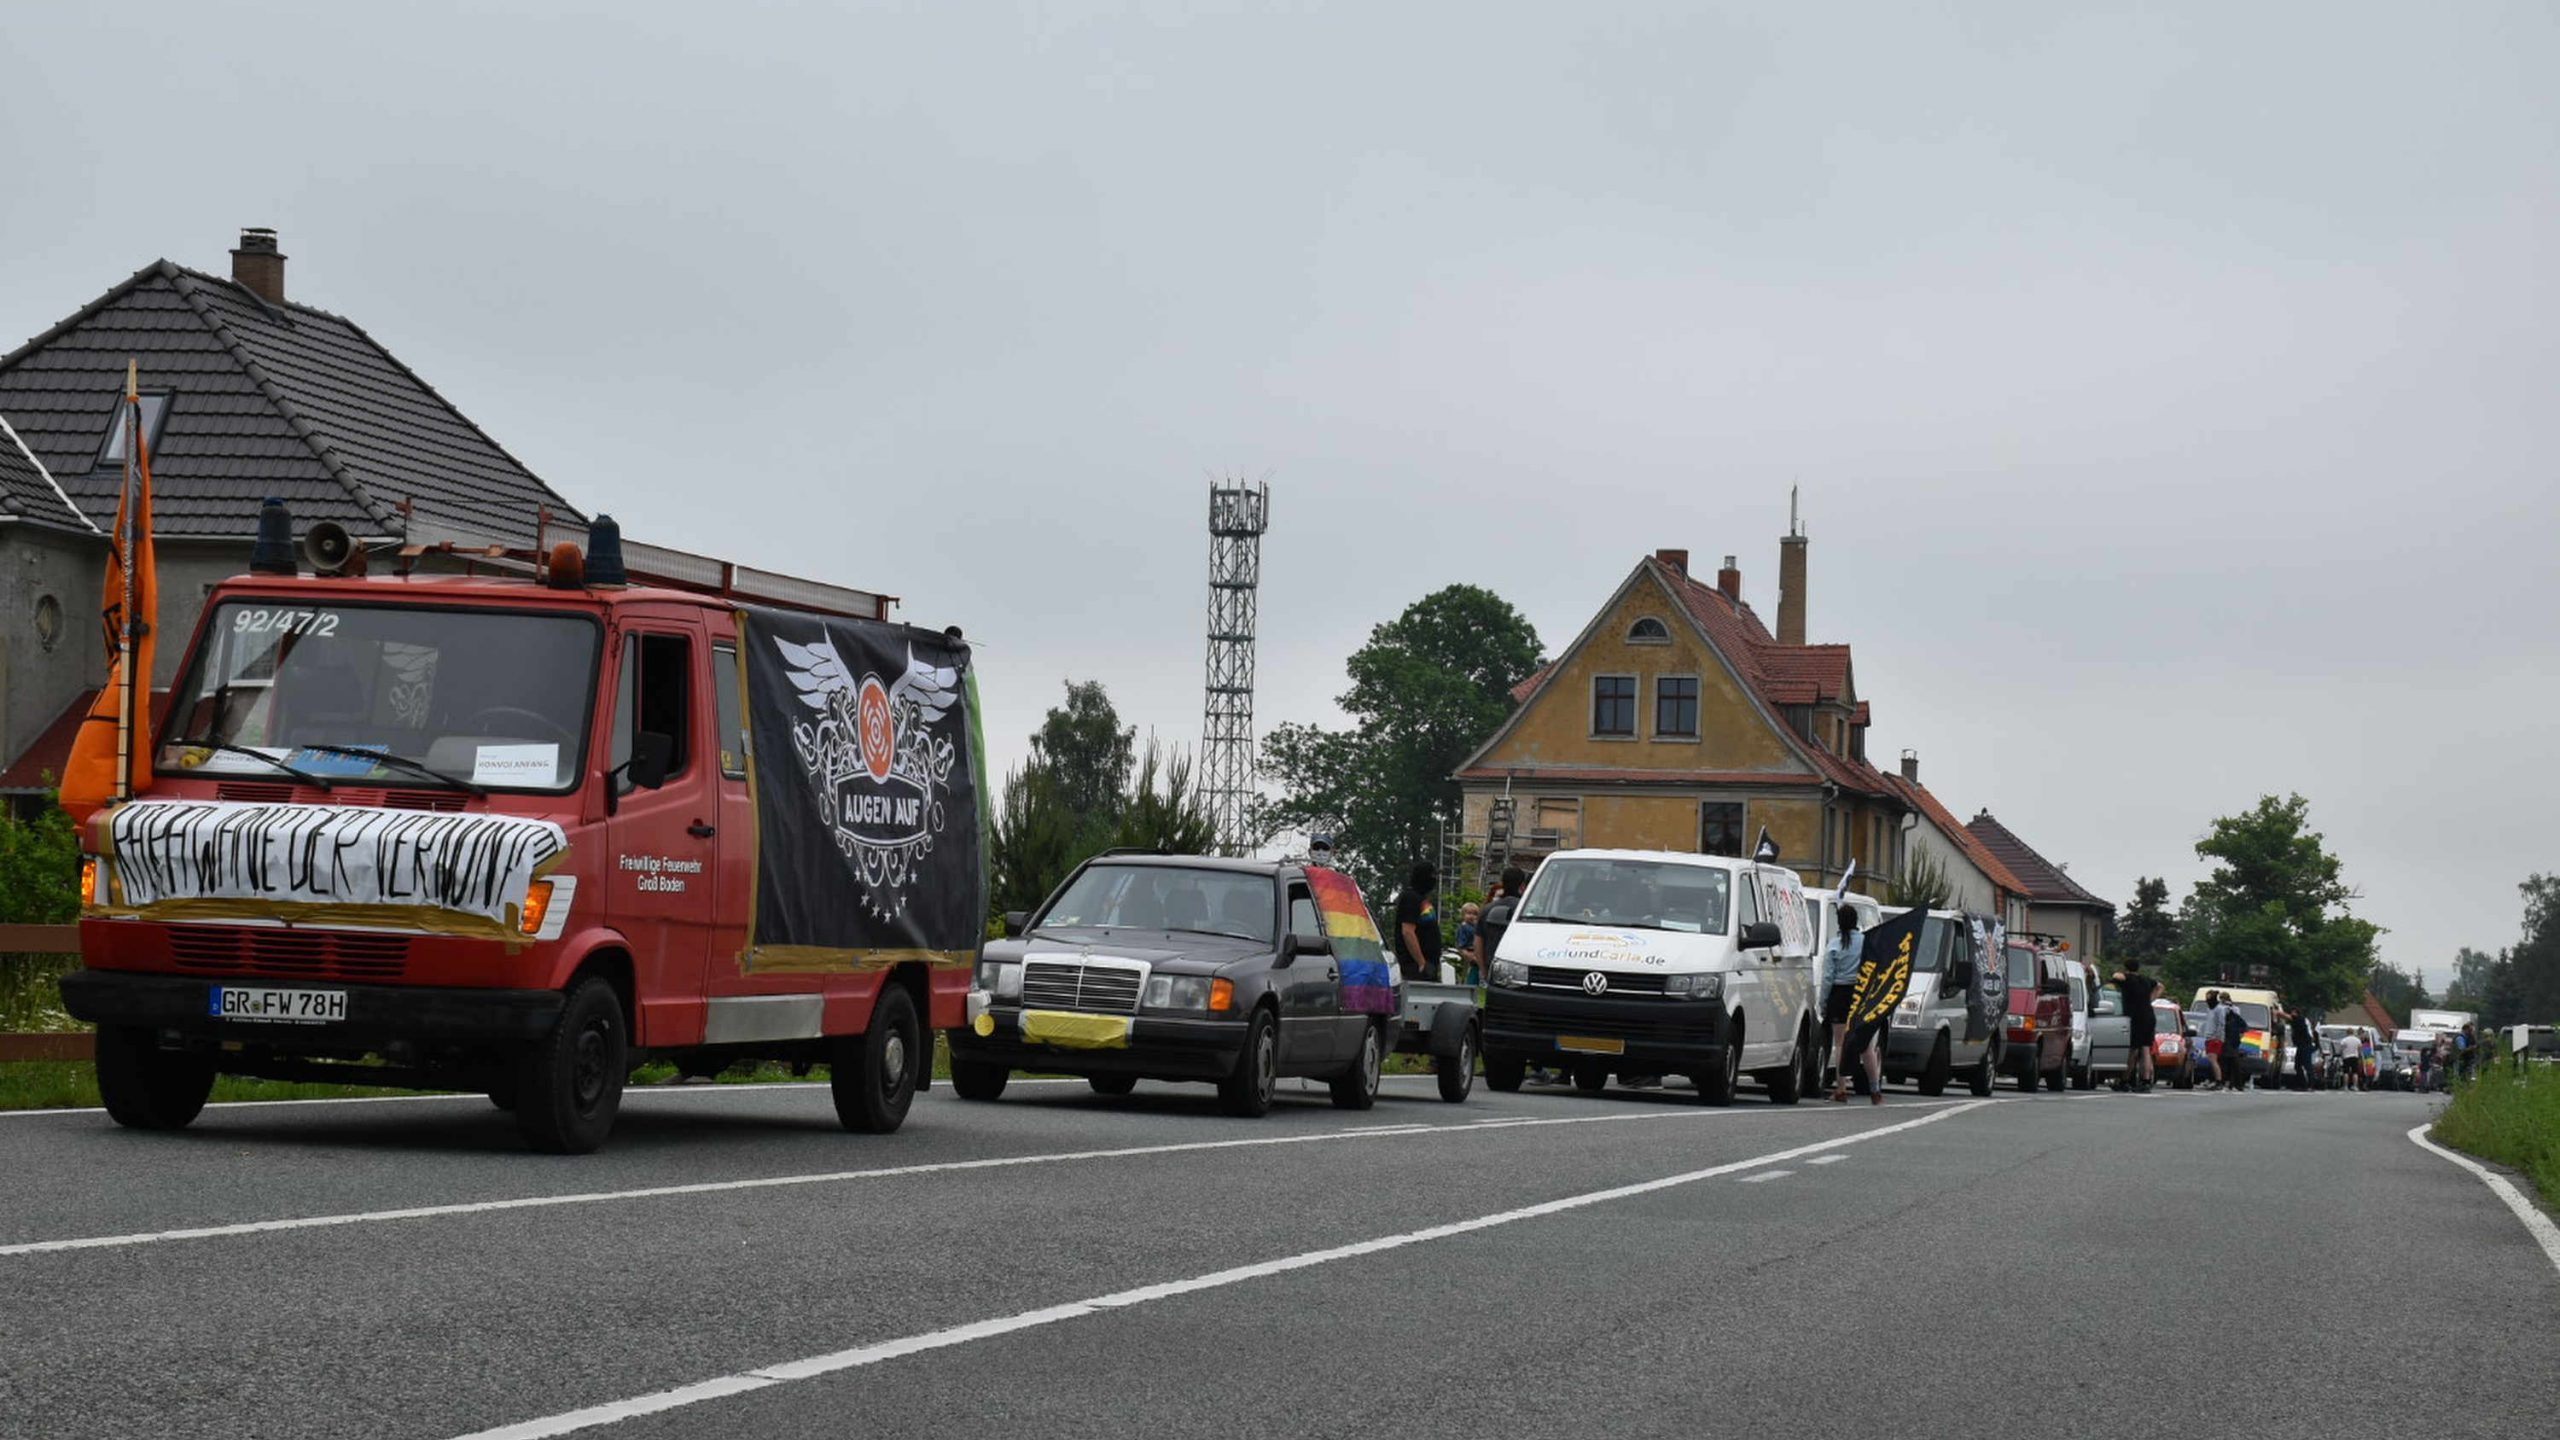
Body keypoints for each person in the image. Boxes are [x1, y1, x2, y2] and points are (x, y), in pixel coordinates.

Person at [1824, 905, 1877, 1104]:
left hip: (1839, 994)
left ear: (1839, 923)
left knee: (1840, 1044)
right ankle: (1875, 1090)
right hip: (1861, 994)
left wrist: (1824, 1003)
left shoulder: (1834, 944)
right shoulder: (1866, 942)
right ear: (1856, 921)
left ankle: (1841, 1088)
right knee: (1866, 1045)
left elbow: (1828, 978)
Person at [2111, 960, 2160, 1092]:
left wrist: (2120, 974)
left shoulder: (2127, 979)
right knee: (2145, 1049)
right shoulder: (2146, 980)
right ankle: (2145, 1081)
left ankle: (2125, 1080)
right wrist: (2151, 998)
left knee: (2133, 1050)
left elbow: (2116, 976)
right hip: (2149, 1015)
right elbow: (2160, 986)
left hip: (2135, 1017)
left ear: (2125, 968)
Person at [1393, 862, 1440, 983]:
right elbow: (1408, 931)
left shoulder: (1422, 899)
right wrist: (1421, 963)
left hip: (1430, 963)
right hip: (1415, 967)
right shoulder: (1410, 898)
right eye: (1432, 876)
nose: (1435, 880)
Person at [2221, 996, 2248, 1093]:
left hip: (2232, 1042)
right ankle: (2227, 1083)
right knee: (2226, 1064)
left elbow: (2244, 1027)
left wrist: (2238, 1033)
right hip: (2224, 1041)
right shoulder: (2222, 1017)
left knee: (2233, 1064)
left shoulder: (2235, 1017)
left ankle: (2235, 1084)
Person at [2288, 1008, 2316, 1091]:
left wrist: (2278, 1012)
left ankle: (2310, 1085)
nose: (2292, 1014)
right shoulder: (2298, 1021)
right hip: (2300, 1046)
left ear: (2297, 1013)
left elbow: (2287, 1017)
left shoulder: (2300, 1020)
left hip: (2306, 1046)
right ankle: (2301, 1084)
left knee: (2308, 1066)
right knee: (2297, 1066)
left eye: (2293, 1012)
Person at [1455, 903, 1481, 982]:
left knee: (1476, 970)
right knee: (1469, 970)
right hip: (1468, 951)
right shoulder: (1464, 927)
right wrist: (1466, 953)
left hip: (1476, 951)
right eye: (1469, 913)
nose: (1472, 916)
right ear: (1463, 915)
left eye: (1475, 914)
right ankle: (1468, 983)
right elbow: (1461, 943)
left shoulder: (1476, 927)